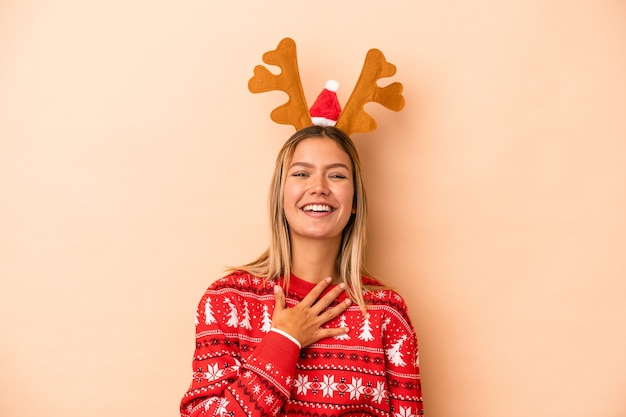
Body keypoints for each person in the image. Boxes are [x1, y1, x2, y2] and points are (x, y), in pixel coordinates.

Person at [180, 125, 423, 417]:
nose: (319, 186)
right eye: (301, 173)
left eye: (337, 175)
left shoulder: (387, 311)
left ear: (355, 200)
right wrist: (283, 340)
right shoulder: (228, 299)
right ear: (280, 196)